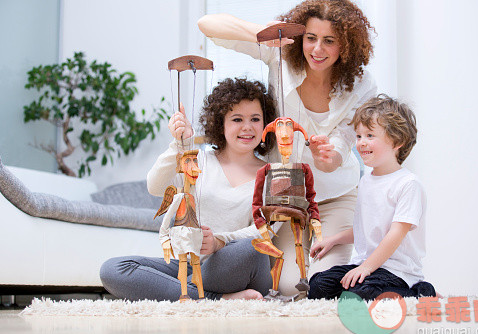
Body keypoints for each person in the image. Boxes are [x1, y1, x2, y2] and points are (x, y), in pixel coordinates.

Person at [198, 0, 377, 295]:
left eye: (329, 41)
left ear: (345, 45)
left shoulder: (362, 84)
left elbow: (342, 147)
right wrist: (273, 34)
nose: (317, 49)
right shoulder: (279, 54)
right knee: (289, 287)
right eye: (310, 38)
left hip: (334, 197)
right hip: (284, 197)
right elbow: (208, 25)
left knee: (322, 283)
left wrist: (329, 156)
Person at [100, 77, 277, 301]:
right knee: (115, 269)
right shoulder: (198, 160)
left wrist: (218, 242)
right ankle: (218, 299)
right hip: (194, 266)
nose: (247, 127)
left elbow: (266, 231)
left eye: (255, 119)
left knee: (252, 249)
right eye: (237, 119)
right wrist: (179, 144)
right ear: (220, 123)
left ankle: (193, 294)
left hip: (237, 266)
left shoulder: (273, 174)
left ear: (265, 124)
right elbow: (155, 186)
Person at [308, 94, 436, 301]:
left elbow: (395, 234)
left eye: (369, 136)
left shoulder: (408, 184)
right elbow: (366, 228)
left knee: (360, 294)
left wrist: (367, 268)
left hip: (398, 272)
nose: (361, 143)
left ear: (398, 141)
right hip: (367, 265)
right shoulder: (367, 180)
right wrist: (333, 240)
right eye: (358, 137)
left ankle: (420, 291)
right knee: (318, 286)